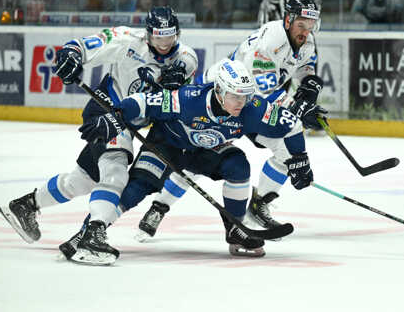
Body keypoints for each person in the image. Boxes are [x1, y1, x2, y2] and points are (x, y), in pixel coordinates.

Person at [0, 7, 199, 260]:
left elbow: (183, 93)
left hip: (131, 122)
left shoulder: (186, 57)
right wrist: (71, 54)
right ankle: (94, 234)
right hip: (107, 110)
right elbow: (85, 45)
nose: (164, 44)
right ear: (148, 34)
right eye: (158, 38)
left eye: (169, 38)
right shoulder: (127, 39)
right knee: (115, 171)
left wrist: (176, 87)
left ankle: (25, 205)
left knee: (82, 180)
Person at [66, 59, 313, 263]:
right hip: (167, 144)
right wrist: (117, 115)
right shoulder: (189, 99)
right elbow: (143, 102)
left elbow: (292, 125)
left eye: (245, 96)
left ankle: (235, 229)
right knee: (138, 187)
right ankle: (90, 233)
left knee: (238, 166)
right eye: (235, 96)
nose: (242, 102)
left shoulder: (252, 107)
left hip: (202, 150)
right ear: (219, 91)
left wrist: (300, 158)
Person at [136, 0, 325, 238]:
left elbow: (303, 67)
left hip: (247, 105)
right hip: (222, 101)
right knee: (197, 158)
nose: (306, 31)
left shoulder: (306, 41)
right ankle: (159, 207)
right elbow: (263, 92)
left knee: (287, 152)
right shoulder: (269, 41)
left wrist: (309, 85)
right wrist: (297, 107)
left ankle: (259, 204)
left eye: (311, 26)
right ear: (288, 20)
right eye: (301, 25)